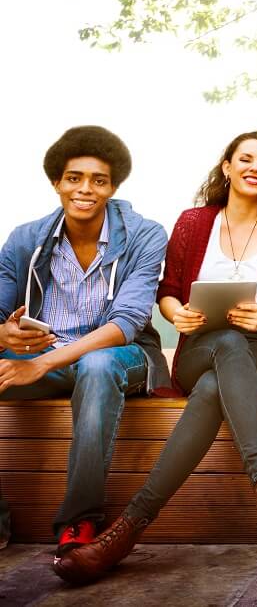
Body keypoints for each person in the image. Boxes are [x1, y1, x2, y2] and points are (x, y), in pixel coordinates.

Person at [53, 131, 257, 584]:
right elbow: (167, 291)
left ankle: (125, 531)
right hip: (199, 349)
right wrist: (179, 314)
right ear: (227, 167)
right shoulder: (194, 223)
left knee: (224, 371)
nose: (255, 167)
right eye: (245, 159)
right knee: (222, 350)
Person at [0, 126, 168, 557]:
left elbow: (127, 322)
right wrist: (6, 334)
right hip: (42, 353)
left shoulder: (146, 235)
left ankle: (79, 520)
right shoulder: (25, 238)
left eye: (99, 180)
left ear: (113, 187)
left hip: (120, 356)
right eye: (74, 178)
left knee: (96, 366)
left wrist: (41, 365)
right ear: (57, 182)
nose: (85, 189)